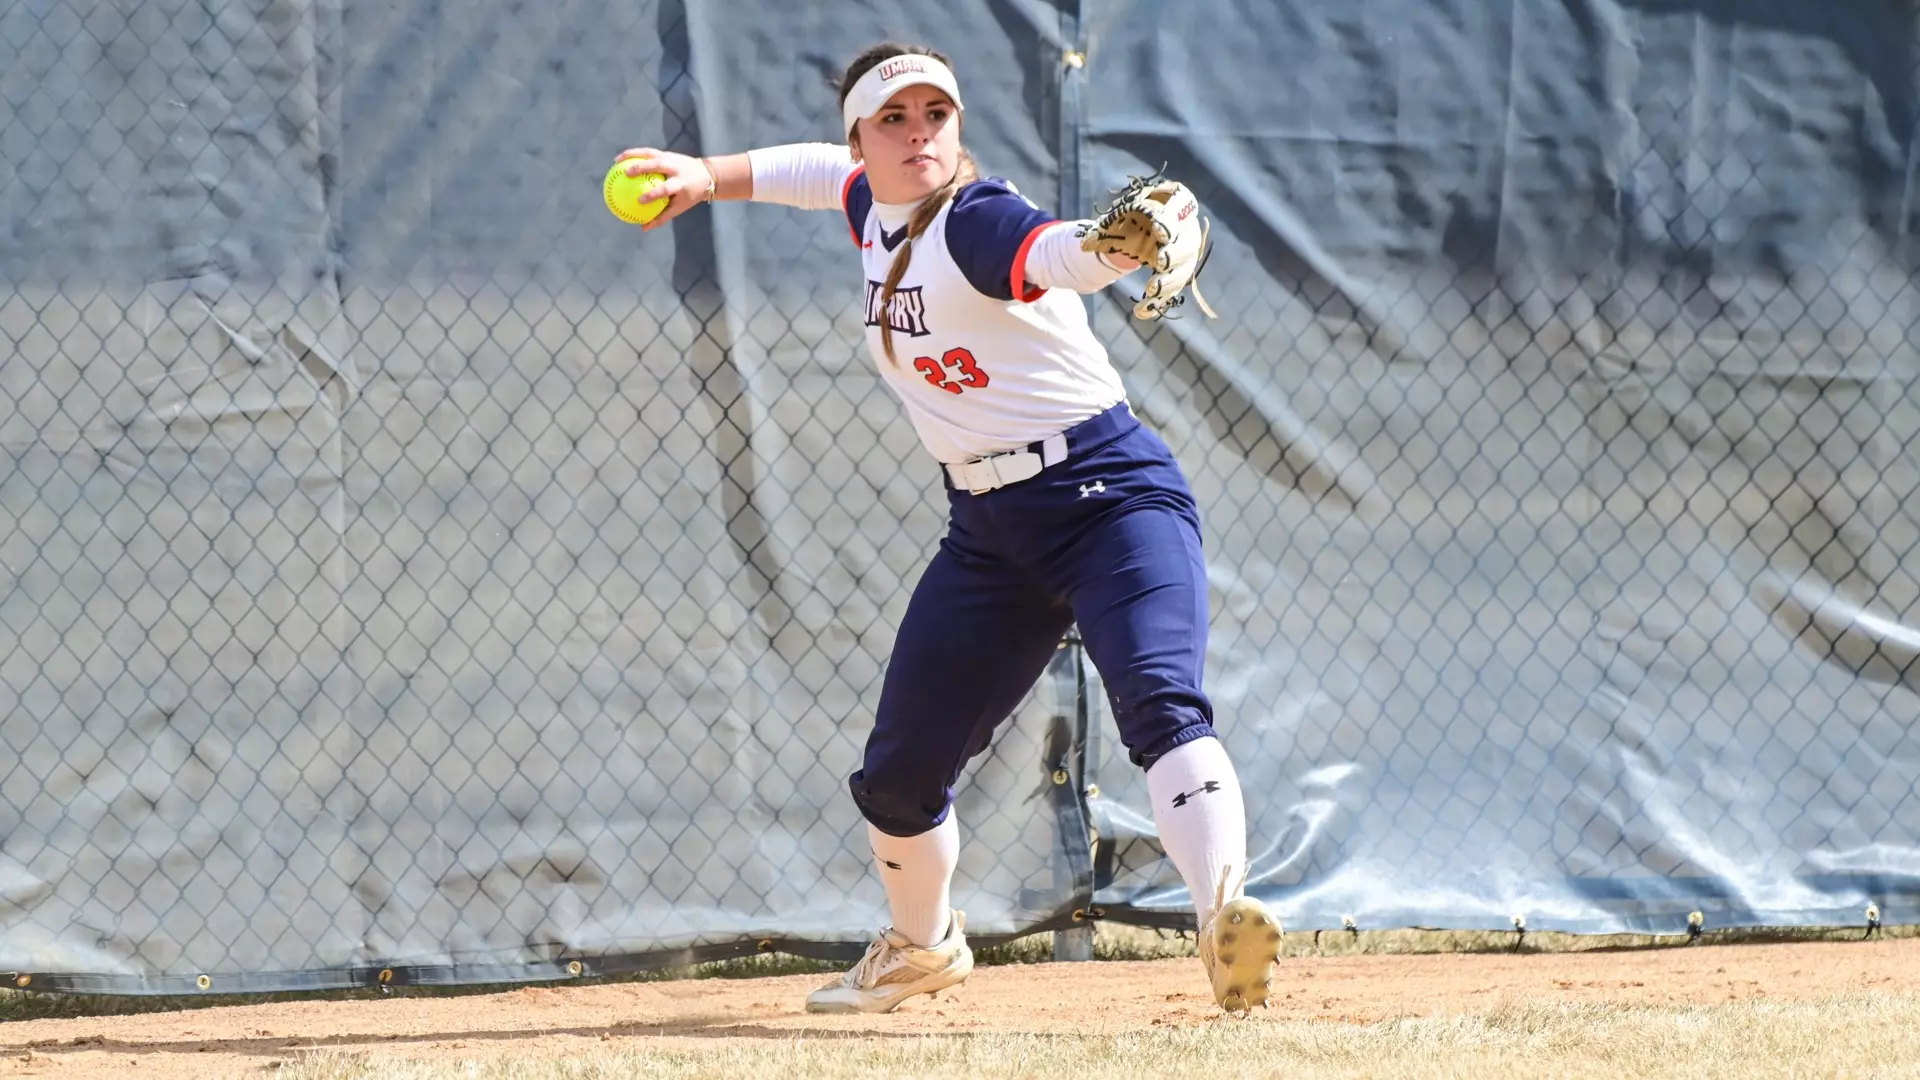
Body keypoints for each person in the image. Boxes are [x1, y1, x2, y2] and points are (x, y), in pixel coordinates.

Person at [613, 41, 1282, 1017]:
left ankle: (1226, 920)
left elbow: (1052, 253)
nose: (919, 133)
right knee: (898, 777)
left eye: (937, 114)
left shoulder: (974, 218)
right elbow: (818, 176)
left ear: (958, 128)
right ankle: (920, 949)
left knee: (1159, 703)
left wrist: (1116, 246)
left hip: (1110, 498)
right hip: (990, 535)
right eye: (894, 118)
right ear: (863, 139)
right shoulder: (870, 207)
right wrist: (706, 178)